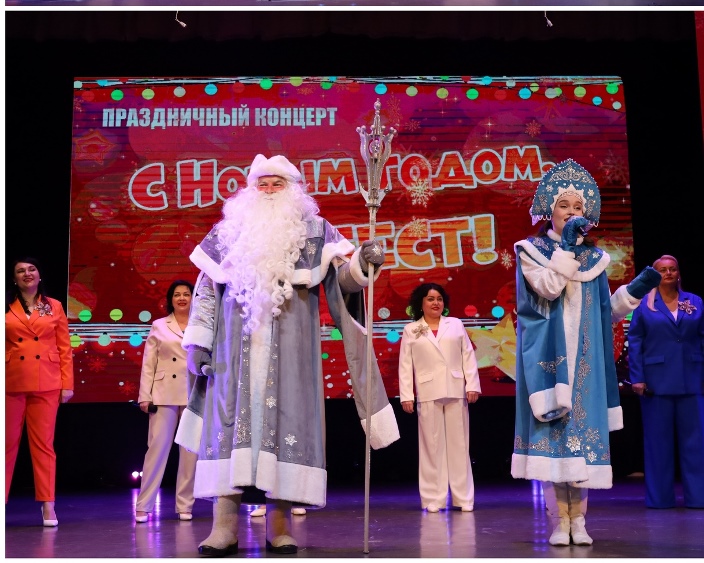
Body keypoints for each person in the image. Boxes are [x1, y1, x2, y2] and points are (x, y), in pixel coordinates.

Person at [174, 154, 399, 556]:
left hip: (292, 358)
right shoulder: (228, 233)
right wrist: (198, 343)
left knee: (285, 429)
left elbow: (343, 282)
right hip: (232, 357)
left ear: (293, 190)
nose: (269, 191)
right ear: (250, 190)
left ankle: (279, 526)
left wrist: (363, 263)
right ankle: (224, 526)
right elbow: (206, 291)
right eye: (262, 184)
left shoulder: (315, 231)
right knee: (229, 430)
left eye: (277, 184)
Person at [511, 159, 662, 546]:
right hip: (548, 364)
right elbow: (547, 289)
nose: (572, 212)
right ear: (550, 210)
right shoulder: (532, 251)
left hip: (586, 364)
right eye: (564, 205)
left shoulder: (595, 260)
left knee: (581, 443)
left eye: (578, 206)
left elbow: (604, 313)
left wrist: (634, 292)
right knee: (554, 443)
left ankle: (578, 520)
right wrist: (564, 248)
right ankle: (558, 521)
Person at [627, 254, 704, 509]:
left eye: (672, 269)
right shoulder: (644, 304)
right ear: (655, 274)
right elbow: (635, 341)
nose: (668, 273)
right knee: (658, 444)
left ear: (679, 273)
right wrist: (637, 377)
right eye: (662, 269)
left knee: (696, 443)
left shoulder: (694, 302)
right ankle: (660, 499)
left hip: (692, 379)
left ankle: (698, 497)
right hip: (656, 383)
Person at [398, 283, 481, 513]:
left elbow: (468, 355)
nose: (436, 303)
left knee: (459, 445)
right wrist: (406, 395)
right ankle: (433, 498)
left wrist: (472, 385)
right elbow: (405, 364)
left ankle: (463, 498)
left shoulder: (455, 324)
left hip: (455, 387)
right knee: (431, 447)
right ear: (421, 303)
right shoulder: (412, 329)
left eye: (439, 299)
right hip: (427, 390)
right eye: (430, 299)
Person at [5, 256, 74, 527]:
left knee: (44, 446)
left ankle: (48, 504)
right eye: (20, 271)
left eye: (31, 269)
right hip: (11, 380)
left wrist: (67, 384)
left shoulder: (53, 305)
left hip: (47, 380)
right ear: (14, 279)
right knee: (6, 444)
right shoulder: (6, 305)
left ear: (39, 274)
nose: (27, 273)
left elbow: (64, 347)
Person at [134, 280, 199, 523]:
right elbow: (148, 363)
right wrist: (145, 395)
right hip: (163, 393)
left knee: (190, 453)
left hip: (193, 393)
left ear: (193, 298)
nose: (182, 298)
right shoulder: (159, 325)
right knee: (157, 450)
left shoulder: (202, 324)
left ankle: (185, 505)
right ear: (170, 299)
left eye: (186, 294)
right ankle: (144, 505)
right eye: (177, 295)